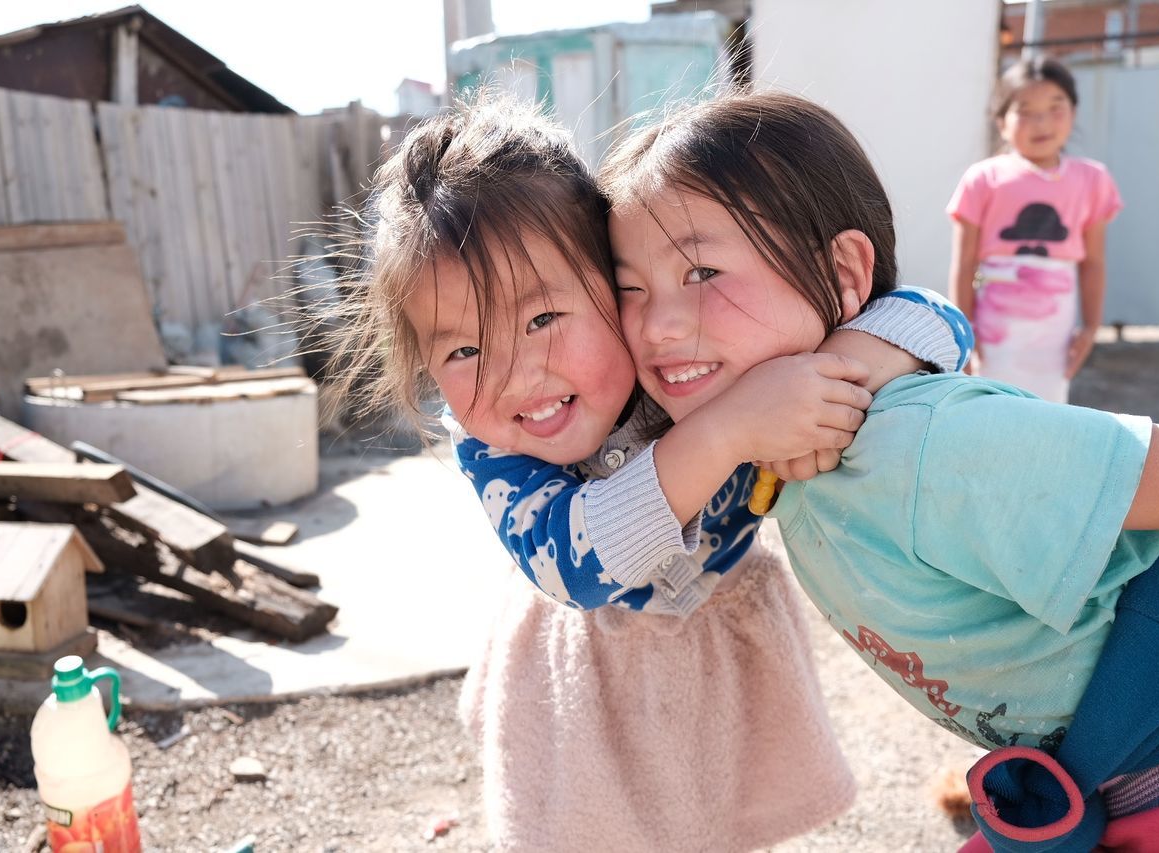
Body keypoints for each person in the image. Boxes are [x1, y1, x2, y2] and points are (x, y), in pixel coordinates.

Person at [326, 94, 973, 852]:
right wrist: (734, 427)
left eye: (542, 319)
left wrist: (829, 376)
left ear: (612, 285)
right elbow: (578, 561)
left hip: (722, 641)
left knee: (720, 824)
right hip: (589, 674)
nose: (514, 375)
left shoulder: (678, 357)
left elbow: (935, 319)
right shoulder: (489, 442)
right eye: (464, 350)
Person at [602, 88, 1159, 852]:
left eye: (701, 271)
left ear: (846, 272)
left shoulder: (924, 444)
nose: (656, 324)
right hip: (1107, 776)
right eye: (628, 288)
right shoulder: (765, 455)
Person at [948, 56, 1121, 403]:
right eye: (1024, 110)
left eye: (1055, 107)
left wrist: (1089, 327)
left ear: (1073, 111)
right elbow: (964, 262)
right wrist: (963, 329)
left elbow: (1093, 262)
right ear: (1001, 121)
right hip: (995, 323)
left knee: (1047, 410)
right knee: (991, 405)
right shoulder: (983, 178)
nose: (1041, 121)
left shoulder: (1092, 179)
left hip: (1055, 324)